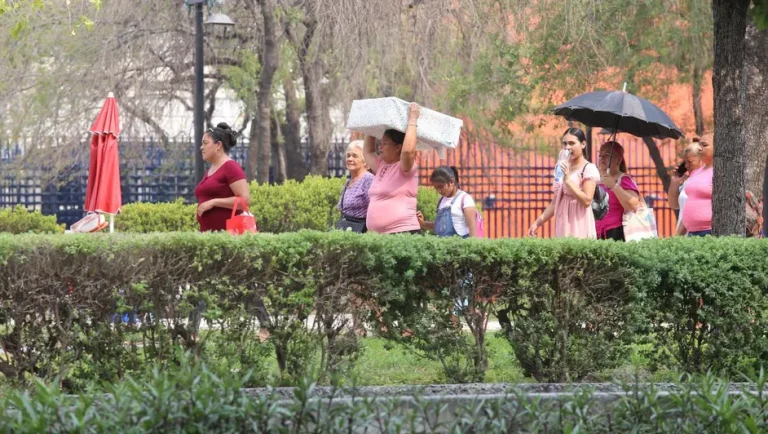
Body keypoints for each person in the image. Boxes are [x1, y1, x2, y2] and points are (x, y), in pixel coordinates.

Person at [528, 127, 599, 238]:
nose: (567, 147)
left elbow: (587, 201)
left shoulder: (588, 168)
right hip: (562, 219)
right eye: (564, 143)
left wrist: (567, 180)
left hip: (578, 221)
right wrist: (537, 223)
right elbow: (555, 201)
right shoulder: (561, 166)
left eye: (572, 143)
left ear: (583, 144)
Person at [363, 103, 422, 234]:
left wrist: (412, 119)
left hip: (402, 232)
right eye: (380, 143)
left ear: (398, 147)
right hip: (380, 236)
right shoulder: (381, 166)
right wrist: (371, 122)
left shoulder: (405, 167)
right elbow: (367, 151)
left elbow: (408, 152)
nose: (380, 147)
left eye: (384, 143)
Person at [194, 122, 251, 232]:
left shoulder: (231, 167)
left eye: (205, 143)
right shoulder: (211, 170)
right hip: (208, 235)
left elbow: (245, 200)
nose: (201, 147)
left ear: (218, 145)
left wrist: (213, 202)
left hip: (228, 236)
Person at [416, 166, 479, 238]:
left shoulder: (464, 199)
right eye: (436, 188)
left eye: (441, 187)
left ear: (451, 182)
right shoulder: (441, 200)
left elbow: (472, 226)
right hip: (443, 243)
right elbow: (440, 225)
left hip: (460, 243)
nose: (439, 191)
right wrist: (423, 223)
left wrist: (472, 243)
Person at [595, 141, 641, 241]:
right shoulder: (596, 180)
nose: (602, 158)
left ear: (619, 160)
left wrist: (614, 186)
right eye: (600, 155)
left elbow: (633, 204)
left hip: (616, 233)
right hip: (597, 233)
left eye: (607, 155)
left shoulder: (624, 179)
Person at [336, 140, 374, 233]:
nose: (350, 159)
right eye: (348, 155)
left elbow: (374, 209)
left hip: (361, 232)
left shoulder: (368, 180)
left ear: (365, 161)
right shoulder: (348, 182)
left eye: (355, 156)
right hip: (345, 230)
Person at [680, 132, 713, 237]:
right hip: (692, 232)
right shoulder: (696, 172)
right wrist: (677, 236)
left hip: (710, 232)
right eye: (699, 145)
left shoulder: (720, 172)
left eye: (704, 145)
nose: (699, 148)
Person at [668, 141, 703, 236]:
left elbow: (692, 211)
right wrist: (674, 182)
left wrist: (678, 236)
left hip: (696, 233)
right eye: (685, 162)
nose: (686, 166)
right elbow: (674, 204)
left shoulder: (704, 182)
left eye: (690, 162)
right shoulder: (688, 181)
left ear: (702, 160)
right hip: (685, 234)